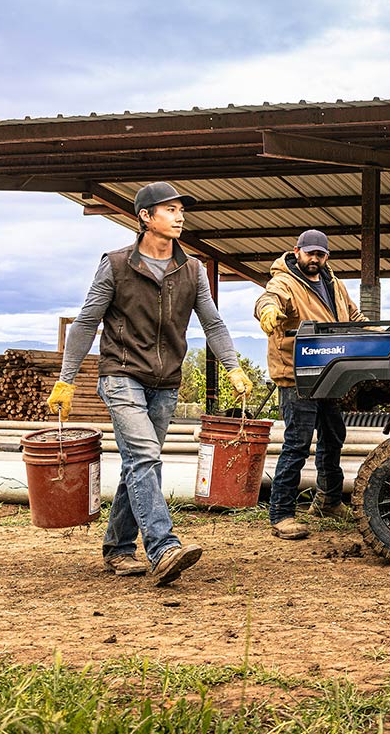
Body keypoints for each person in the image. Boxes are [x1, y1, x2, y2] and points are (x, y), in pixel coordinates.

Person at [47, 181, 253, 586]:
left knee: (137, 464)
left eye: (181, 210)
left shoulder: (190, 269)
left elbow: (212, 322)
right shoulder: (117, 264)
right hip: (120, 374)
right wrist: (66, 380)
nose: (180, 216)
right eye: (170, 209)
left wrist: (233, 366)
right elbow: (87, 322)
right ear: (145, 217)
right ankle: (164, 548)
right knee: (145, 457)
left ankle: (119, 549)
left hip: (166, 381)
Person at [255, 229, 369, 539]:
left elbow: (354, 316)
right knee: (297, 444)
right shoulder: (285, 281)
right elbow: (269, 298)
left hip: (330, 373)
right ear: (297, 251)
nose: (315, 259)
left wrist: (373, 334)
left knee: (333, 438)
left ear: (327, 256)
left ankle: (329, 501)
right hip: (297, 376)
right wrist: (267, 312)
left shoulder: (333, 283)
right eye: (310, 253)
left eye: (320, 254)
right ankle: (281, 513)